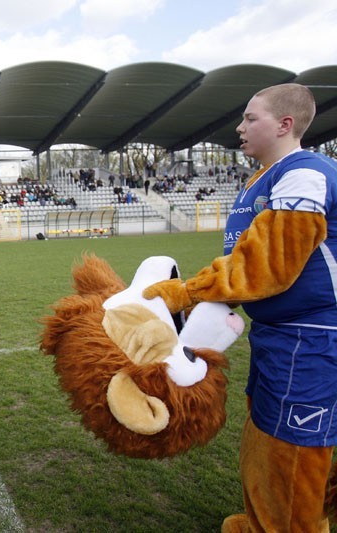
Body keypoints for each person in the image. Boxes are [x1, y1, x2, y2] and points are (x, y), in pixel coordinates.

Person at [143, 83, 337, 532]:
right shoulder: (262, 179)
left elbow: (267, 265)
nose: (240, 126)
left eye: (251, 118)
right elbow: (243, 263)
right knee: (269, 439)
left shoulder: (306, 173)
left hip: (312, 342)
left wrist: (187, 292)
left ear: (285, 125)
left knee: (291, 450)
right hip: (281, 336)